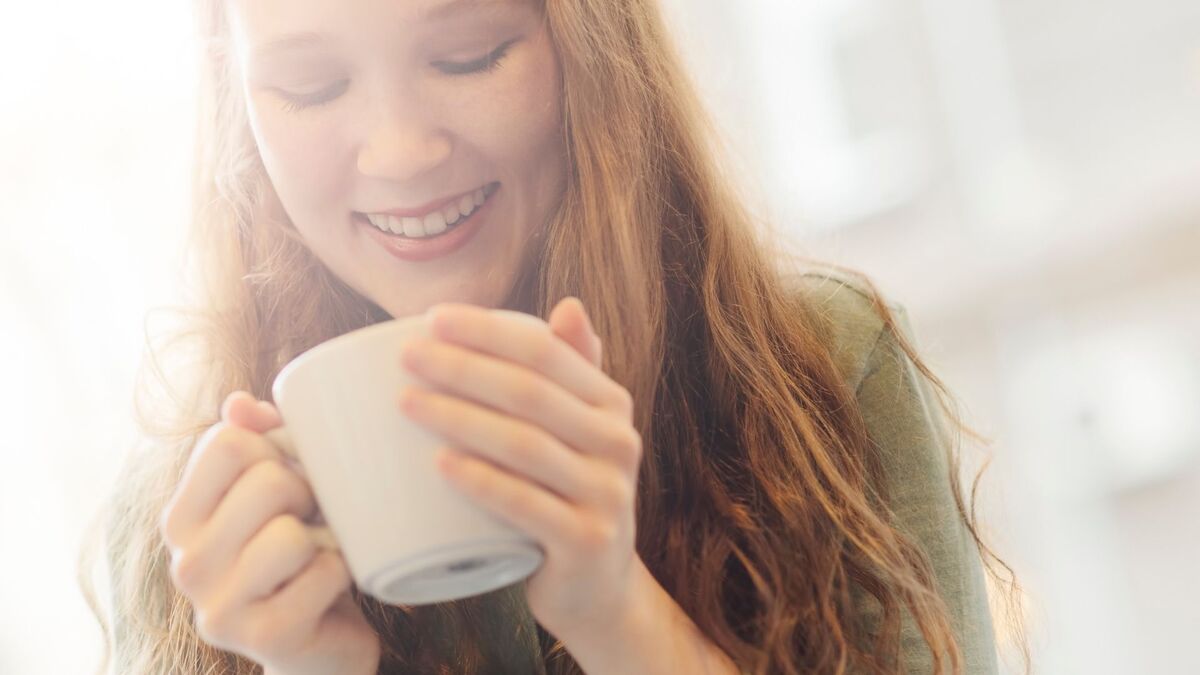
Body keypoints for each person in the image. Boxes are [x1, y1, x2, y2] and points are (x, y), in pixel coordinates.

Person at [78, 0, 1031, 673]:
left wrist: (612, 609)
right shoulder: (184, 524)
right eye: (312, 83)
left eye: (467, 54)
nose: (401, 152)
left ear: (590, 39)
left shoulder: (819, 368)